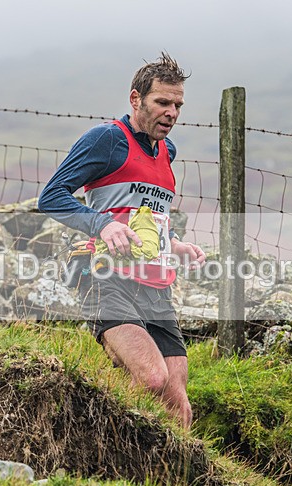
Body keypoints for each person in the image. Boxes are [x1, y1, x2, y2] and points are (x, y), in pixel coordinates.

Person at [37, 53, 205, 429]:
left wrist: (174, 243)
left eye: (178, 105)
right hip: (107, 276)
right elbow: (51, 196)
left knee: (179, 404)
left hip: (155, 286)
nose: (172, 113)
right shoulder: (107, 140)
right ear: (136, 99)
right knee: (151, 379)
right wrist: (102, 225)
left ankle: (166, 468)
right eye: (162, 102)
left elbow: (148, 215)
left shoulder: (167, 152)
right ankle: (90, 438)